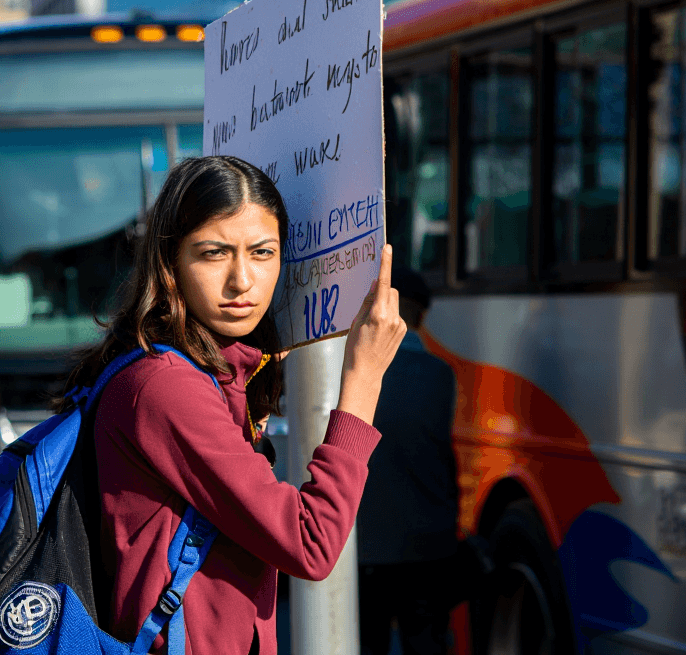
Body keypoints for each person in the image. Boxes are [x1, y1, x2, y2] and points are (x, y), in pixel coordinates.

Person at [79, 155, 406, 654]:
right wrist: (363, 378)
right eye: (214, 253)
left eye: (262, 252)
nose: (242, 280)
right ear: (169, 262)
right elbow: (310, 543)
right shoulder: (166, 387)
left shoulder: (205, 371)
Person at [356, 263, 460, 655]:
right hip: (429, 546)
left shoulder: (357, 370)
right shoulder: (441, 374)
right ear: (422, 316)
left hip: (367, 547)